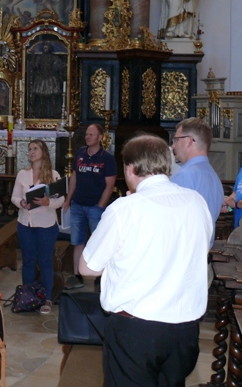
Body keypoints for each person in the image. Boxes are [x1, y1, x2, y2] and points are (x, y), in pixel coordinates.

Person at [80, 134, 213, 386]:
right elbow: (200, 250)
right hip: (185, 329)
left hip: (137, 330)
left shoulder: (125, 209)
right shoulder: (196, 202)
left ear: (130, 168)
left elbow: (87, 267)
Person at [11, 140, 64, 314]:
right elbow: (14, 197)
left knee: (45, 261)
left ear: (44, 152)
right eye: (29, 149)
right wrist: (22, 203)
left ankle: (47, 299)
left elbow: (61, 200)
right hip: (25, 223)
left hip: (46, 224)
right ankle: (28, 297)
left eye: (35, 149)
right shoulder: (22, 174)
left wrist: (48, 201)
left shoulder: (53, 174)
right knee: (28, 262)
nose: (31, 152)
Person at [63, 123, 116, 290]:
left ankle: (101, 278)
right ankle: (77, 275)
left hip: (95, 206)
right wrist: (68, 199)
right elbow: (74, 178)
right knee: (77, 241)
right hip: (78, 204)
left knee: (99, 242)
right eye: (86, 134)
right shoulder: (80, 154)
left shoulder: (107, 158)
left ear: (100, 137)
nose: (87, 137)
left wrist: (100, 206)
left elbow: (110, 185)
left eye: (91, 135)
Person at [171, 117, 223, 246]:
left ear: (189, 141)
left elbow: (171, 221)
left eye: (176, 140)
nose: (173, 146)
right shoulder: (213, 176)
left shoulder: (185, 175)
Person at [26, 41, 66, 118]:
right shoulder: (40, 57)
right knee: (41, 97)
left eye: (46, 48)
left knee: (53, 96)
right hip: (41, 78)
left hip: (51, 78)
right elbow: (35, 66)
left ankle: (54, 113)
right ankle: (40, 113)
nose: (45, 49)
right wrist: (33, 57)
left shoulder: (54, 57)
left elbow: (59, 65)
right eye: (44, 48)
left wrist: (55, 69)